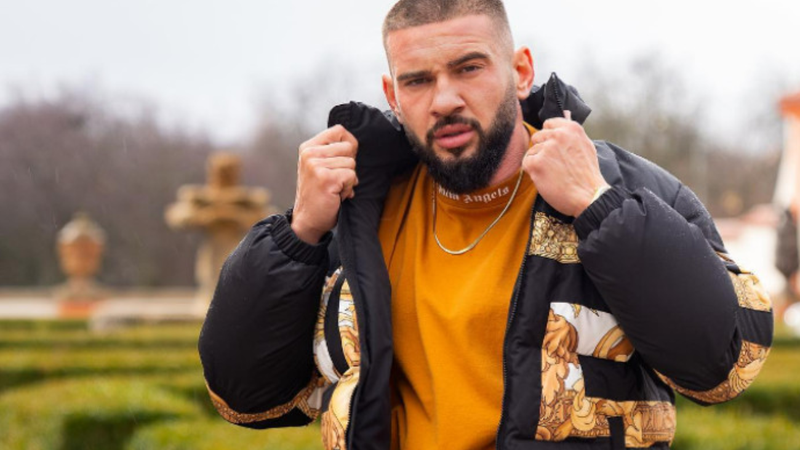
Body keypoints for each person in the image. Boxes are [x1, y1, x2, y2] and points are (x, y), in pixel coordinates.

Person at [198, 1, 774, 449]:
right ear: (391, 94)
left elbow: (724, 367)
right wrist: (298, 235)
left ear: (520, 71)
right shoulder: (354, 212)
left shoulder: (623, 186)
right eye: (417, 80)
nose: (444, 99)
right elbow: (245, 399)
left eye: (468, 68)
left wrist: (598, 205)